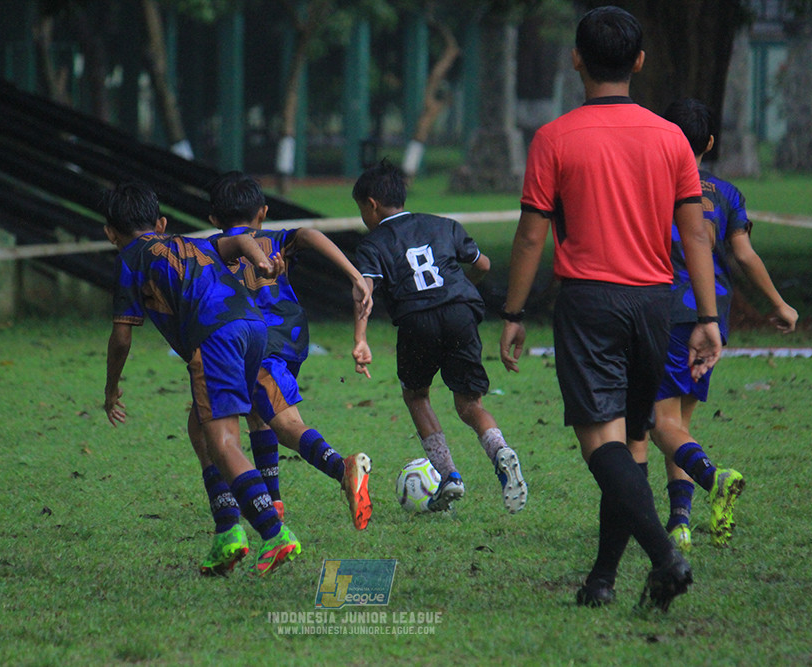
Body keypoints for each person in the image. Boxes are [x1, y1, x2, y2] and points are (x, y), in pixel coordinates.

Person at [498, 6, 723, 610]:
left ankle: (663, 554)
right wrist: (707, 317)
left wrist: (513, 312)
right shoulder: (671, 139)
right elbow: (696, 235)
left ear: (577, 58)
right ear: (640, 62)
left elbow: (529, 237)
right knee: (630, 442)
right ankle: (600, 582)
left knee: (602, 444)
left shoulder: (554, 138)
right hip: (656, 305)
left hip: (590, 302)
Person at [100, 181, 300, 577]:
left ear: (110, 233)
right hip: (253, 329)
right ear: (161, 222)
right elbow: (235, 241)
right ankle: (227, 531)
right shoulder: (190, 243)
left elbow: (122, 335)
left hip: (215, 337)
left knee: (222, 441)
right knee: (200, 426)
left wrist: (111, 387)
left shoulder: (129, 259)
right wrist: (261, 259)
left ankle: (273, 532)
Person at [189, 172, 374, 577]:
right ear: (263, 212)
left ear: (213, 216)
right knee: (257, 411)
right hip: (291, 334)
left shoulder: (212, 247)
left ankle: (342, 468)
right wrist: (355, 275)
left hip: (255, 339)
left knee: (278, 420)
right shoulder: (275, 238)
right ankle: (272, 502)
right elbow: (308, 233)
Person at [638, 98, 798, 552]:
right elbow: (744, 255)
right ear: (709, 143)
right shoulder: (726, 194)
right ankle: (680, 523)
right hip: (713, 314)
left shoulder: (652, 186)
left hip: (668, 312)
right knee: (679, 423)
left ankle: (714, 478)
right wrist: (780, 305)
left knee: (658, 422)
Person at [351, 159, 528, 514]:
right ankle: (501, 451)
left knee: (416, 396)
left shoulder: (373, 243)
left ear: (371, 204)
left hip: (417, 320)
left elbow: (363, 290)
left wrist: (361, 338)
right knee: (470, 404)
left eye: (361, 210)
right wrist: (463, 288)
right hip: (461, 313)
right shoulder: (443, 225)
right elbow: (483, 265)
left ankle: (449, 476)